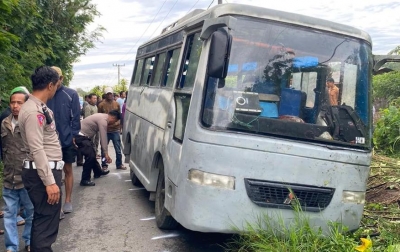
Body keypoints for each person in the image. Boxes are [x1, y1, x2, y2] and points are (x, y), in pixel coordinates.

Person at [19, 66, 64, 252]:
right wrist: (49, 182)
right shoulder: (33, 112)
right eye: (57, 85)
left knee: (44, 219)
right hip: (42, 173)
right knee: (45, 222)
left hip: (44, 171)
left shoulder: (38, 106)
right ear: (50, 85)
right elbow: (37, 148)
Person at [2, 86, 34, 252]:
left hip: (28, 179)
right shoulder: (4, 123)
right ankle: (11, 247)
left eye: (19, 103)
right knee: (9, 215)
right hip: (9, 179)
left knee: (31, 213)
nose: (15, 106)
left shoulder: (31, 123)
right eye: (12, 102)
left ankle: (29, 241)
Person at [46, 66, 81, 214]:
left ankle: (68, 200)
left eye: (57, 79)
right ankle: (57, 205)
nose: (55, 82)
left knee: (67, 170)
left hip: (66, 140)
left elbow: (76, 119)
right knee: (53, 173)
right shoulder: (45, 93)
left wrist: (73, 135)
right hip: (48, 141)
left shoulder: (71, 94)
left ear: (61, 78)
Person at [75, 110, 121, 186]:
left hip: (84, 137)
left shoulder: (102, 116)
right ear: (113, 118)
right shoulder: (103, 121)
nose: (113, 123)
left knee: (92, 154)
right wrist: (106, 154)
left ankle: (98, 171)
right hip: (80, 136)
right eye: (115, 121)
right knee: (90, 157)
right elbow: (103, 138)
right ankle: (85, 179)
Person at [98, 87, 126, 170]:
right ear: (106, 95)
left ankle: (119, 164)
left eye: (111, 94)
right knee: (103, 149)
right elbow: (99, 117)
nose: (110, 95)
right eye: (108, 94)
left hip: (115, 130)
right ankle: (104, 164)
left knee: (118, 149)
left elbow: (119, 116)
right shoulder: (101, 105)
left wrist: (120, 125)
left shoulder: (116, 104)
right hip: (105, 130)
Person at [77, 93, 98, 166]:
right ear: (89, 99)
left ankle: (93, 155)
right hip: (89, 129)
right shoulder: (88, 107)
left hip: (95, 128)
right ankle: (82, 160)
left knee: (94, 143)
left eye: (96, 98)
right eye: (94, 98)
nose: (95, 100)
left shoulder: (95, 107)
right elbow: (87, 118)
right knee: (86, 145)